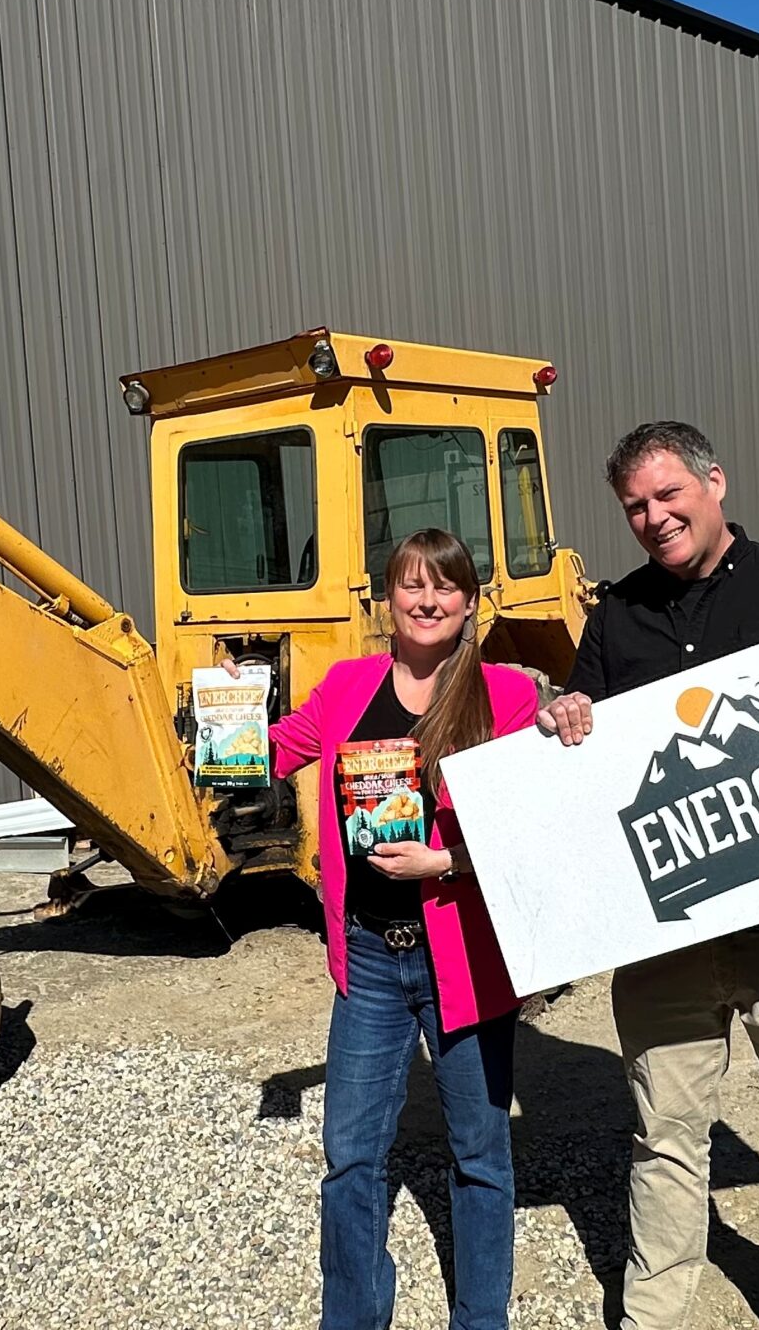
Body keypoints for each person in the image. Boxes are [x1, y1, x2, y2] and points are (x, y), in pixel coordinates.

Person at [536, 421, 759, 1330]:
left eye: (668, 496)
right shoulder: (616, 616)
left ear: (715, 483)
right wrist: (566, 712)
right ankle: (652, 1319)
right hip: (670, 944)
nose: (655, 519)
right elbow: (588, 747)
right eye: (635, 509)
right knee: (663, 1147)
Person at [267, 527, 542, 1330]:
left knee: (480, 1159)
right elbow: (277, 752)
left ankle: (480, 1319)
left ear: (468, 601)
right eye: (411, 587)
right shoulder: (347, 684)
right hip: (370, 959)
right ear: (386, 599)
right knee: (350, 1156)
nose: (427, 602)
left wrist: (445, 863)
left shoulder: (504, 695)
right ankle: (352, 1317)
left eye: (445, 588)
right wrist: (229, 723)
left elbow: (530, 824)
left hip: (463, 954)